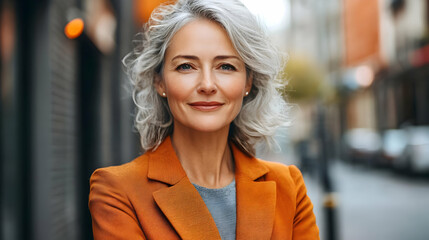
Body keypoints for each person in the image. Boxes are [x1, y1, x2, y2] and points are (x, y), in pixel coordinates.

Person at [88, 0, 320, 239]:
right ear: (160, 82)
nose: (207, 85)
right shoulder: (117, 191)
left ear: (248, 82)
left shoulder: (288, 187)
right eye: (186, 66)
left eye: (226, 67)